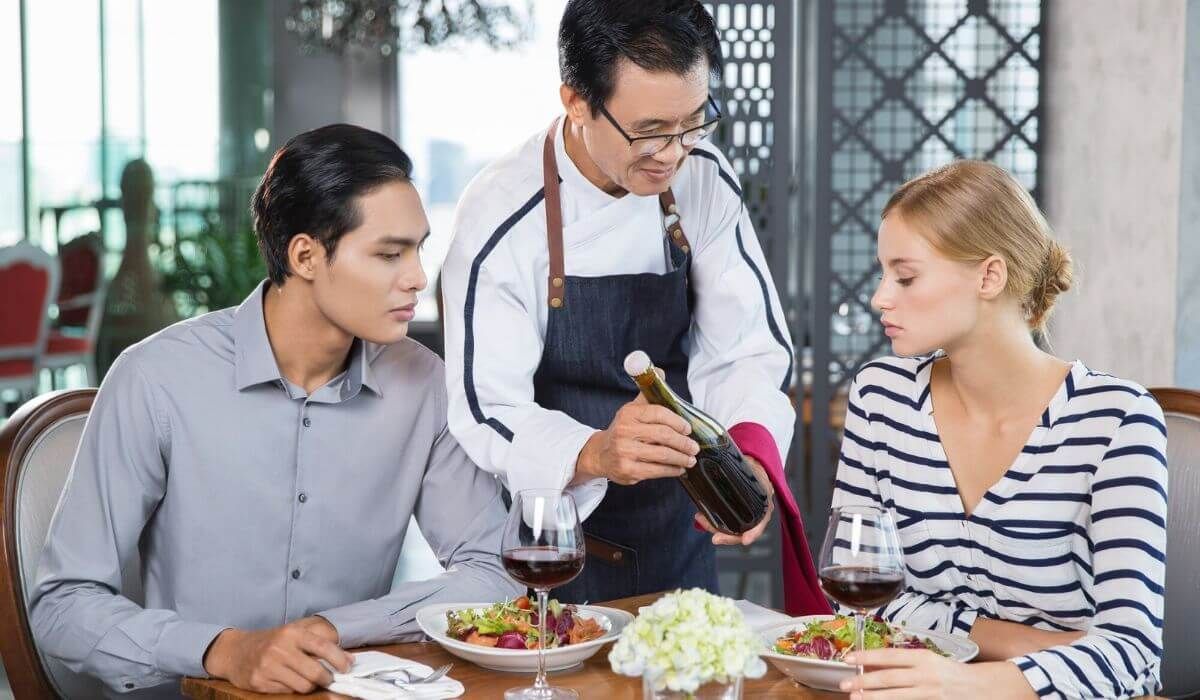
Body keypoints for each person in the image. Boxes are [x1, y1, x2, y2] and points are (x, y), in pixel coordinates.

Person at [29, 124, 522, 698]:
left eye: (419, 249)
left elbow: (494, 573)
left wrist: (336, 628)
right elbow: (63, 606)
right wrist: (223, 650)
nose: (417, 278)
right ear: (306, 255)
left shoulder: (424, 384)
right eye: (390, 254)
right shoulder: (156, 380)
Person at [439, 0, 826, 611]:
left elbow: (745, 347)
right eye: (648, 132)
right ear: (576, 101)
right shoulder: (501, 213)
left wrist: (749, 453)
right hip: (551, 544)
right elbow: (486, 406)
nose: (673, 153)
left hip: (679, 529)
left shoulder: (702, 178)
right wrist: (596, 452)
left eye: (694, 123)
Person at [831, 160, 1167, 698]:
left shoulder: (1117, 420)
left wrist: (967, 681)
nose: (880, 297)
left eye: (906, 276)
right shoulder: (881, 397)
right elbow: (857, 597)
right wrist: (1032, 645)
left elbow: (1131, 653)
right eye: (883, 272)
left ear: (990, 275)